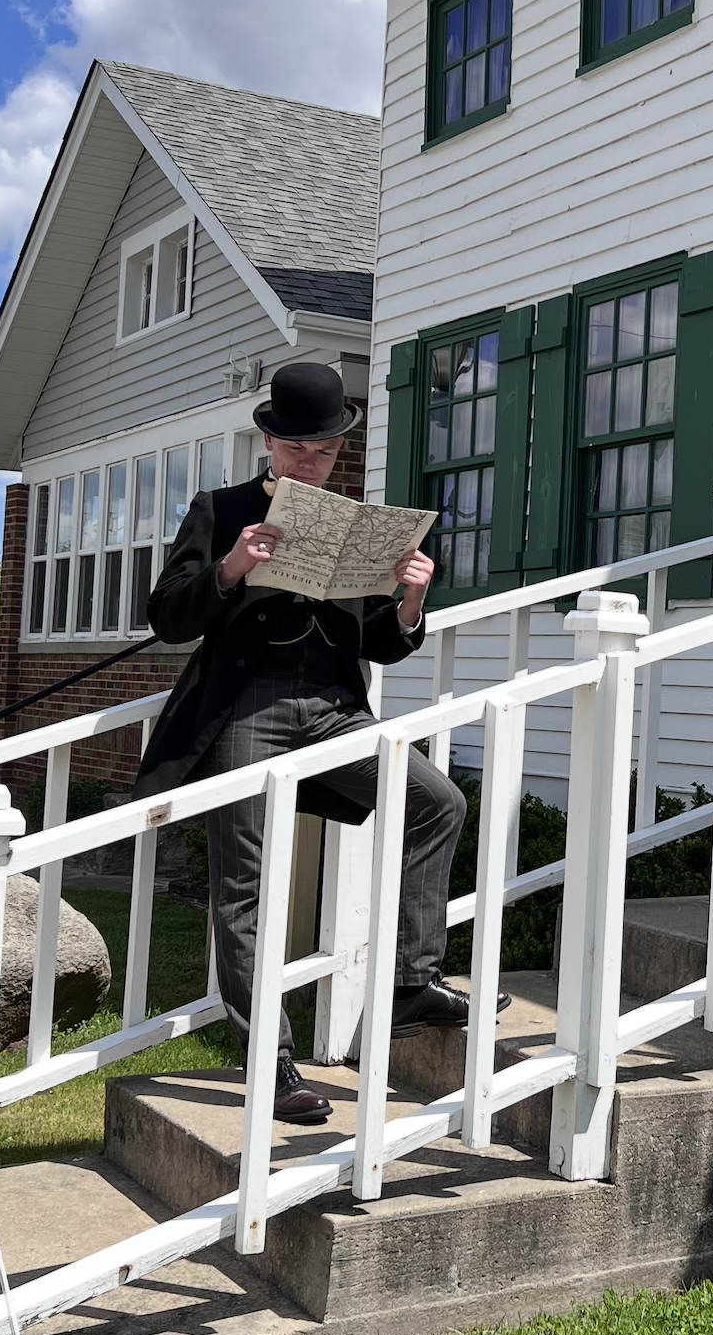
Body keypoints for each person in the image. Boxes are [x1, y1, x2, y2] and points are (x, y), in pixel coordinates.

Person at [133, 361, 478, 1126]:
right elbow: (168, 616)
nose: (308, 462)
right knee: (247, 886)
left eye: (322, 451)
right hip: (248, 707)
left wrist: (412, 597)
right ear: (268, 440)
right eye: (295, 448)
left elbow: (382, 646)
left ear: (338, 450)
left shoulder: (357, 522)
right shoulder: (221, 509)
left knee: (436, 803)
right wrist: (231, 565)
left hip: (332, 709)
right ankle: (272, 1062)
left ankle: (409, 981)